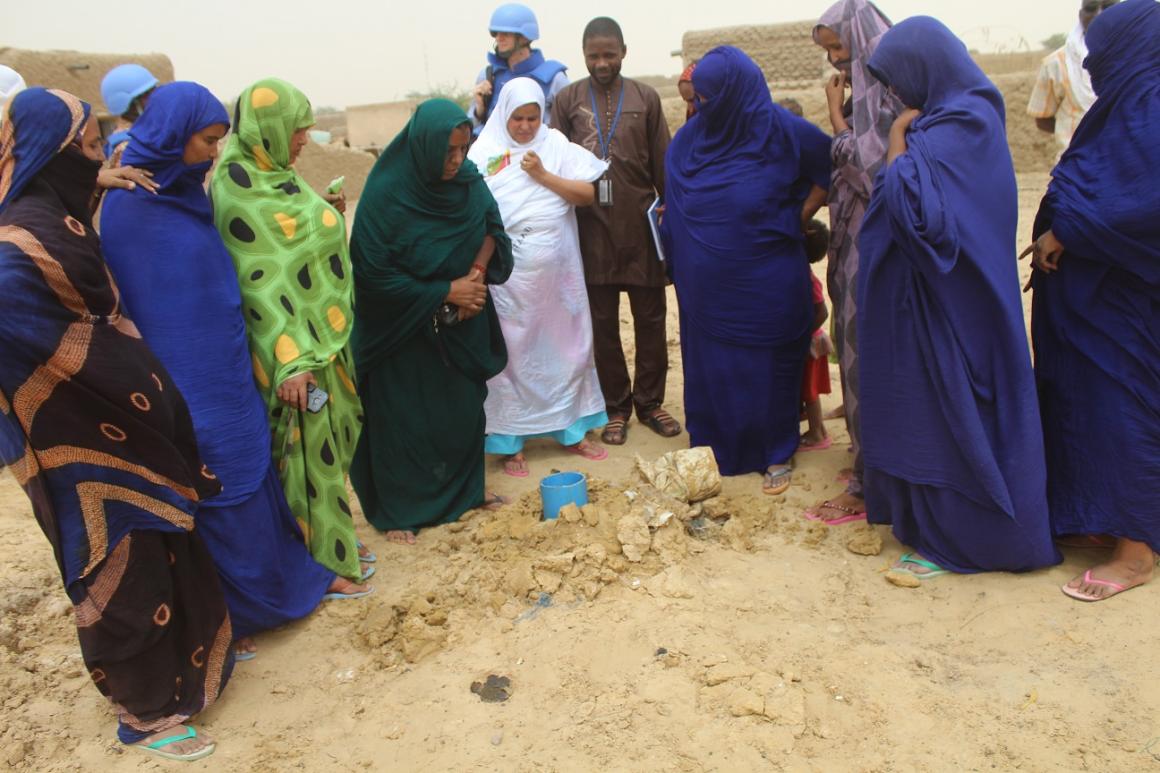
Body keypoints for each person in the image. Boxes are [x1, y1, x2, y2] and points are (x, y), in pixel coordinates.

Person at [99, 82, 368, 661]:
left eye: (220, 139)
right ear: (171, 136)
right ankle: (233, 612)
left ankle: (287, 587)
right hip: (185, 380)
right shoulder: (129, 207)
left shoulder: (186, 195)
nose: (216, 152)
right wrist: (93, 180)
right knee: (217, 491)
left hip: (228, 365)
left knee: (256, 476)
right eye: (206, 140)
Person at [0, 87, 230, 762]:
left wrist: (97, 181)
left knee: (159, 539)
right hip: (73, 434)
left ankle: (178, 675)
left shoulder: (58, 212)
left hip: (123, 420)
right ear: (53, 154)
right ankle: (143, 712)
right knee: (114, 558)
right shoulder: (18, 241)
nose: (105, 159)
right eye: (92, 149)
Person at [858, 18, 1060, 578]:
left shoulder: (962, 124)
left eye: (898, 81)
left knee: (960, 413)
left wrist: (897, 143)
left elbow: (916, 216)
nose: (895, 95)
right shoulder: (948, 123)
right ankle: (930, 526)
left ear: (926, 67)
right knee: (927, 411)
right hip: (928, 300)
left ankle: (974, 540)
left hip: (960, 303)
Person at [1024, 0, 1158, 601]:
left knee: (1123, 407)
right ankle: (1107, 517)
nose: (1092, 67)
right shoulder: (1123, 107)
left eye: (1103, 54)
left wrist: (1069, 231)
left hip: (1123, 301)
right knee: (1092, 406)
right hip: (1092, 298)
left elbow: (1145, 198)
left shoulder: (1150, 106)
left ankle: (1137, 551)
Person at [209, 78, 367, 582]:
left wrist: (322, 211)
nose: (303, 140)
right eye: (297, 130)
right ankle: (324, 566)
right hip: (289, 358)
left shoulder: (275, 176)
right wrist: (291, 361)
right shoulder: (235, 190)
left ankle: (334, 542)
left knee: (326, 447)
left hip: (317, 344)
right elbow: (258, 283)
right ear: (269, 128)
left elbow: (291, 241)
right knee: (304, 453)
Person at [662, 46, 831, 493]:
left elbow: (831, 166)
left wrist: (800, 215)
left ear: (738, 93)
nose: (703, 108)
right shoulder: (687, 143)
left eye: (711, 99)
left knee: (769, 368)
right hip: (705, 289)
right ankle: (715, 448)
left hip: (767, 279)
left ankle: (776, 450)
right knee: (713, 369)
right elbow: (675, 208)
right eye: (700, 98)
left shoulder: (783, 131)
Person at [349, 99, 514, 544]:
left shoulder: (467, 179)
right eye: (448, 151)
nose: (457, 160)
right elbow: (372, 274)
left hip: (461, 321)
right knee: (404, 419)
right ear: (424, 147)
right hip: (400, 330)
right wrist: (444, 291)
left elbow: (492, 229)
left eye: (463, 149)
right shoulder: (387, 194)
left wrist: (475, 277)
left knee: (460, 411)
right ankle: (400, 510)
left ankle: (466, 494)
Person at [467, 77, 610, 478]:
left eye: (532, 117)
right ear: (503, 115)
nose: (526, 126)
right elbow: (475, 210)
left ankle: (572, 431)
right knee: (513, 355)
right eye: (518, 118)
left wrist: (543, 175)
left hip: (559, 276)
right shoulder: (485, 151)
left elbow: (587, 195)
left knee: (567, 350)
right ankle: (510, 441)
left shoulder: (555, 145)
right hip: (509, 279)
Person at [553, 17, 679, 446]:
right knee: (602, 326)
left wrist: (671, 223)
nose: (602, 63)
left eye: (609, 54)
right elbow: (556, 165)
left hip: (641, 229)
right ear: (583, 55)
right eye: (594, 56)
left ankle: (650, 403)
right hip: (590, 232)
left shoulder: (646, 97)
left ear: (624, 51)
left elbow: (663, 165)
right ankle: (616, 408)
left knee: (651, 321)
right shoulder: (567, 100)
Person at [808, 0, 902, 522]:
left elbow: (872, 171)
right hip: (856, 239)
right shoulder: (865, 91)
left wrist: (837, 121)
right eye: (828, 51)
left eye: (839, 47)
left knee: (871, 352)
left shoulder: (891, 94)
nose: (835, 60)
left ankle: (872, 482)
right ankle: (868, 462)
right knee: (855, 349)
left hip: (879, 241)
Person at [1028, 0, 1120, 155]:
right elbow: (1043, 119)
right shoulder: (1056, 63)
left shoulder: (1139, 59)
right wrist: (1082, 133)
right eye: (1090, 8)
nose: (1098, 14)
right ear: (1081, 15)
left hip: (1126, 162)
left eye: (1108, 7)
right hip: (1076, 161)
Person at [469, 3, 568, 137]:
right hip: (496, 150)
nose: (498, 38)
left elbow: (571, 126)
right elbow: (470, 129)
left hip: (539, 149)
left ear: (525, 37)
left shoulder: (554, 78)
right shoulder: (489, 76)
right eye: (496, 33)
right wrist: (479, 110)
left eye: (506, 33)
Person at [800, 223, 833, 452]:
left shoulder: (808, 279)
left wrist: (804, 334)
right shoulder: (805, 274)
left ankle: (816, 435)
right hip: (813, 339)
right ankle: (819, 429)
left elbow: (822, 312)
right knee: (810, 390)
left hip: (811, 343)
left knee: (809, 392)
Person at [100, 63, 159, 166]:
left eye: (154, 91)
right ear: (128, 104)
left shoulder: (145, 130)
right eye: (147, 94)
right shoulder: (127, 146)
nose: (155, 97)